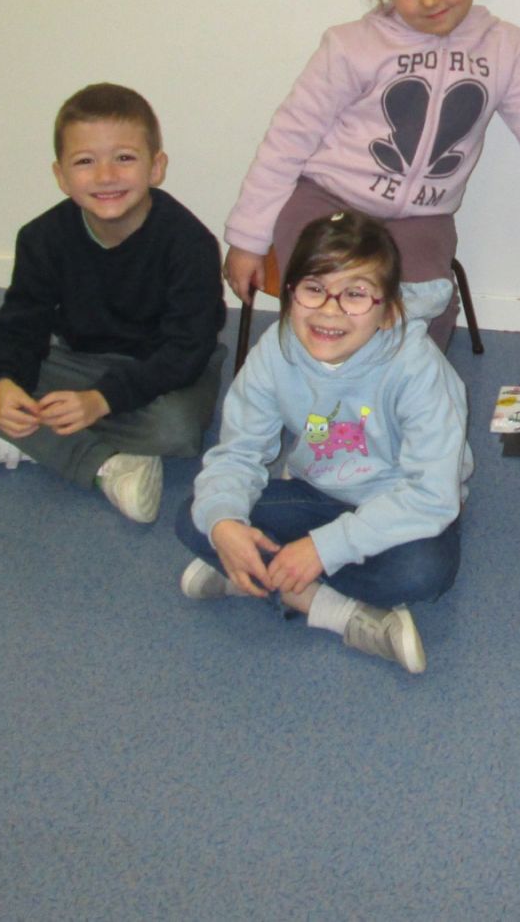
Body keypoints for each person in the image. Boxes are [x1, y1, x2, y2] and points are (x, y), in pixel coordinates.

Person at [223, 0, 520, 349]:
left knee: (424, 309)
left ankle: (402, 392)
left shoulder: (504, 47)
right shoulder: (351, 46)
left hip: (422, 219)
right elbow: (288, 140)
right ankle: (326, 389)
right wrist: (247, 238)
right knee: (335, 303)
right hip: (327, 202)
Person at [177, 211, 467, 674]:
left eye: (355, 294)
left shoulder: (417, 369)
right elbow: (237, 453)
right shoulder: (276, 350)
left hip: (398, 504)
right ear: (290, 293)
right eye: (314, 288)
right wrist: (225, 523)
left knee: (424, 571)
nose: (330, 311)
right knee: (199, 516)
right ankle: (331, 607)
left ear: (389, 310)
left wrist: (322, 549)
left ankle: (260, 577)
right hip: (316, 492)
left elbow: (432, 496)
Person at [0, 84, 224, 524]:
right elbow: (17, 326)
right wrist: (3, 384)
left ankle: (32, 442)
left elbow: (187, 349)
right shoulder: (41, 238)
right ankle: (108, 466)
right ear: (61, 176)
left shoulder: (190, 244)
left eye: (124, 158)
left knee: (178, 429)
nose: (105, 176)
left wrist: (102, 400)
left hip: (163, 369)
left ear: (156, 167)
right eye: (84, 162)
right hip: (80, 364)